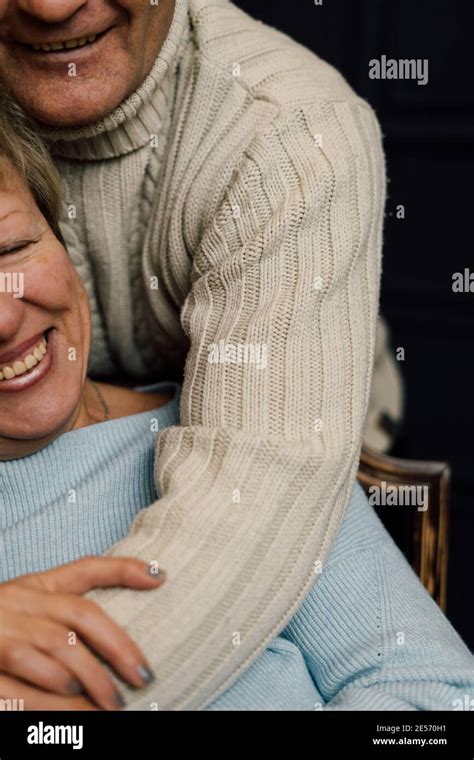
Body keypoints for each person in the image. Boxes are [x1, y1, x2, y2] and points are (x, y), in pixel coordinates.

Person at [0, 110, 472, 711]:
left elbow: (438, 695)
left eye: (12, 248)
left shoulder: (239, 441)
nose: (5, 319)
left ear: (63, 244)